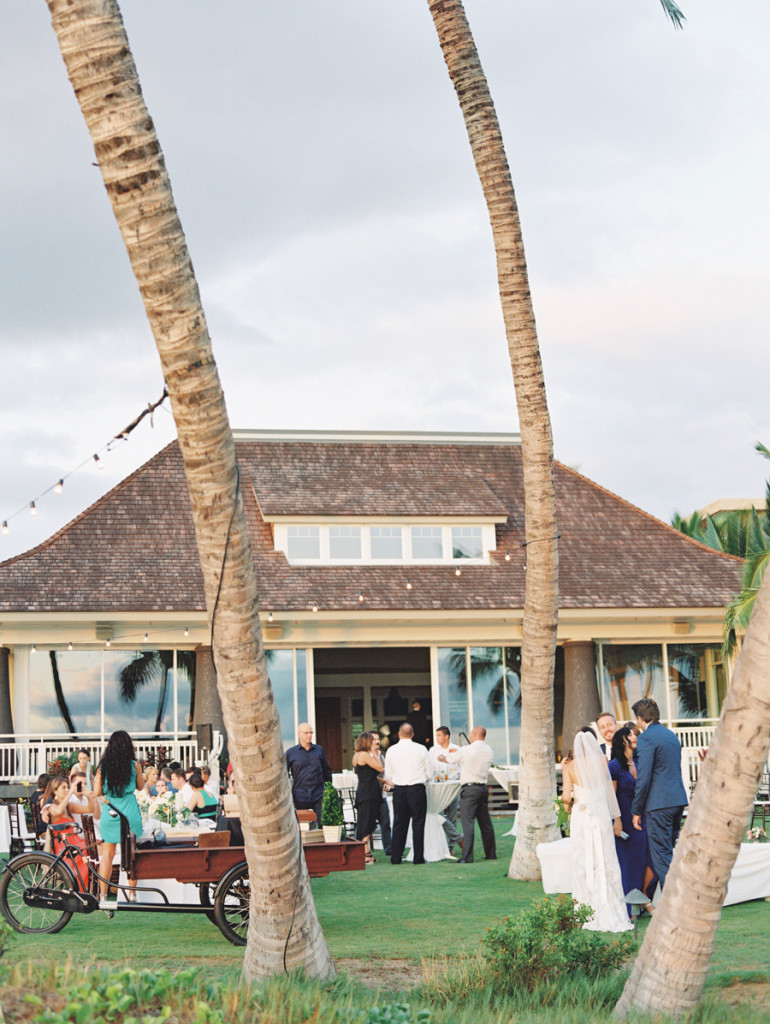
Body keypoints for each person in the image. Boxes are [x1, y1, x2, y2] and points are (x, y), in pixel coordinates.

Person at [561, 729, 632, 933]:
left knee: (584, 860)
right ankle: (611, 908)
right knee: (606, 858)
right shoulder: (602, 761)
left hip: (582, 818)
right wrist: (617, 818)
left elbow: (566, 796)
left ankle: (585, 909)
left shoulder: (570, 766)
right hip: (601, 816)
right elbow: (610, 792)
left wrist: (567, 803)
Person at [631, 697, 689, 889]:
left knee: (662, 857)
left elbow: (644, 776)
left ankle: (675, 902)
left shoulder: (646, 737)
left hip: (659, 804)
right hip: (677, 801)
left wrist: (636, 810)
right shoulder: (670, 735)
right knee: (668, 853)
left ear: (640, 718)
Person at [93, 730, 144, 904]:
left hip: (111, 810)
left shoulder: (103, 767)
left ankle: (103, 895)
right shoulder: (134, 765)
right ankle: (132, 894)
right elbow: (140, 786)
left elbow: (97, 792)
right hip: (129, 811)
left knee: (107, 854)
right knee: (131, 853)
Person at [608, 726, 656, 916]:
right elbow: (611, 796)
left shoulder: (639, 762)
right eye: (630, 735)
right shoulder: (614, 766)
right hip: (625, 820)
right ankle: (631, 906)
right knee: (630, 863)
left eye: (635, 734)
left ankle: (643, 894)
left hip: (643, 818)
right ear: (622, 740)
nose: (634, 737)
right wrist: (617, 820)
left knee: (651, 859)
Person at [438, 726, 495, 863]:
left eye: (471, 734)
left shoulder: (468, 749)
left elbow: (450, 759)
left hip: (470, 789)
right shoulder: (489, 750)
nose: (469, 735)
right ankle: (490, 853)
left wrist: (442, 757)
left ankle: (467, 856)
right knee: (485, 823)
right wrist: (458, 752)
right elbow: (466, 755)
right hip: (483, 788)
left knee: (467, 823)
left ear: (474, 734)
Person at [384, 723, 432, 865]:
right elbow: (430, 773)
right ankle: (418, 857)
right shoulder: (421, 749)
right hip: (417, 789)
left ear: (399, 734)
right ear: (412, 734)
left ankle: (396, 857)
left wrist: (394, 782)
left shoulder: (392, 750)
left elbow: (388, 774)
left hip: (400, 789)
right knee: (418, 823)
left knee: (399, 823)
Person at [41, 776, 89, 889]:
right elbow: (58, 811)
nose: (67, 789)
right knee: (87, 851)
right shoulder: (52, 806)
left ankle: (85, 886)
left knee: (94, 846)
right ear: (55, 791)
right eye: (64, 787)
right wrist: (70, 793)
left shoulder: (68, 806)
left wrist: (89, 796)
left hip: (74, 841)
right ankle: (78, 887)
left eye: (68, 787)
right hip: (63, 845)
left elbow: (89, 809)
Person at [286, 723, 332, 826]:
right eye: (306, 733)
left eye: (311, 732)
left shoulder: (319, 750)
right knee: (302, 825)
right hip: (299, 795)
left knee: (321, 823)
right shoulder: (291, 753)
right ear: (299, 734)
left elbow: (326, 770)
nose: (309, 735)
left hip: (318, 794)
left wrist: (328, 788)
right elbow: (285, 774)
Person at [429, 726, 463, 854]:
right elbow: (431, 767)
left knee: (452, 815)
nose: (437, 738)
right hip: (438, 785)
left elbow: (461, 766)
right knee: (438, 815)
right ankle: (458, 838)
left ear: (446, 736)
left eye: (439, 735)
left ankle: (449, 847)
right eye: (436, 735)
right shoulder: (433, 750)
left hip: (453, 785)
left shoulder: (457, 749)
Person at [351, 731, 382, 864]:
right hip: (370, 792)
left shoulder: (356, 755)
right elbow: (380, 768)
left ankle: (365, 851)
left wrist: (384, 781)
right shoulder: (365, 755)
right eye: (371, 740)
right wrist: (374, 754)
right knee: (368, 822)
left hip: (363, 791)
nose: (374, 743)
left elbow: (366, 774)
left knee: (364, 821)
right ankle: (364, 852)